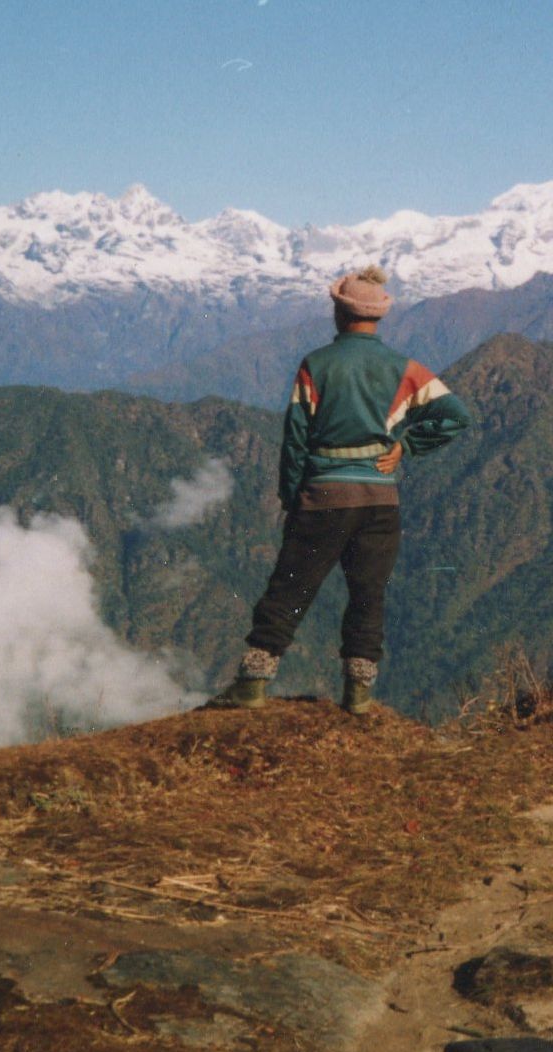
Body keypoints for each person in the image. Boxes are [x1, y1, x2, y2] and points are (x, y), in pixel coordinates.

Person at [207, 266, 474, 715]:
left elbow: (295, 437)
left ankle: (252, 683)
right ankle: (359, 695)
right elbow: (455, 414)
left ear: (338, 311)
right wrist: (406, 445)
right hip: (380, 500)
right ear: (379, 316)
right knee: (368, 593)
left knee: (290, 589)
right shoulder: (405, 369)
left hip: (324, 497)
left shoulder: (317, 365)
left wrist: (293, 496)